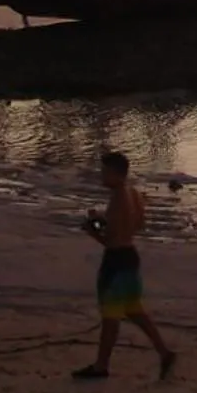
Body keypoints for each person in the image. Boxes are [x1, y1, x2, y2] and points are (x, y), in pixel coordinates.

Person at [73, 151, 177, 381]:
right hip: (130, 256)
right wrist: (104, 220)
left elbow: (110, 241)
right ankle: (163, 351)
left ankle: (101, 366)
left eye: (104, 172)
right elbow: (137, 224)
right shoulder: (134, 194)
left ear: (115, 173)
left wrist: (92, 231)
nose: (101, 176)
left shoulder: (118, 198)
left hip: (117, 260)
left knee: (111, 317)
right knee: (133, 309)